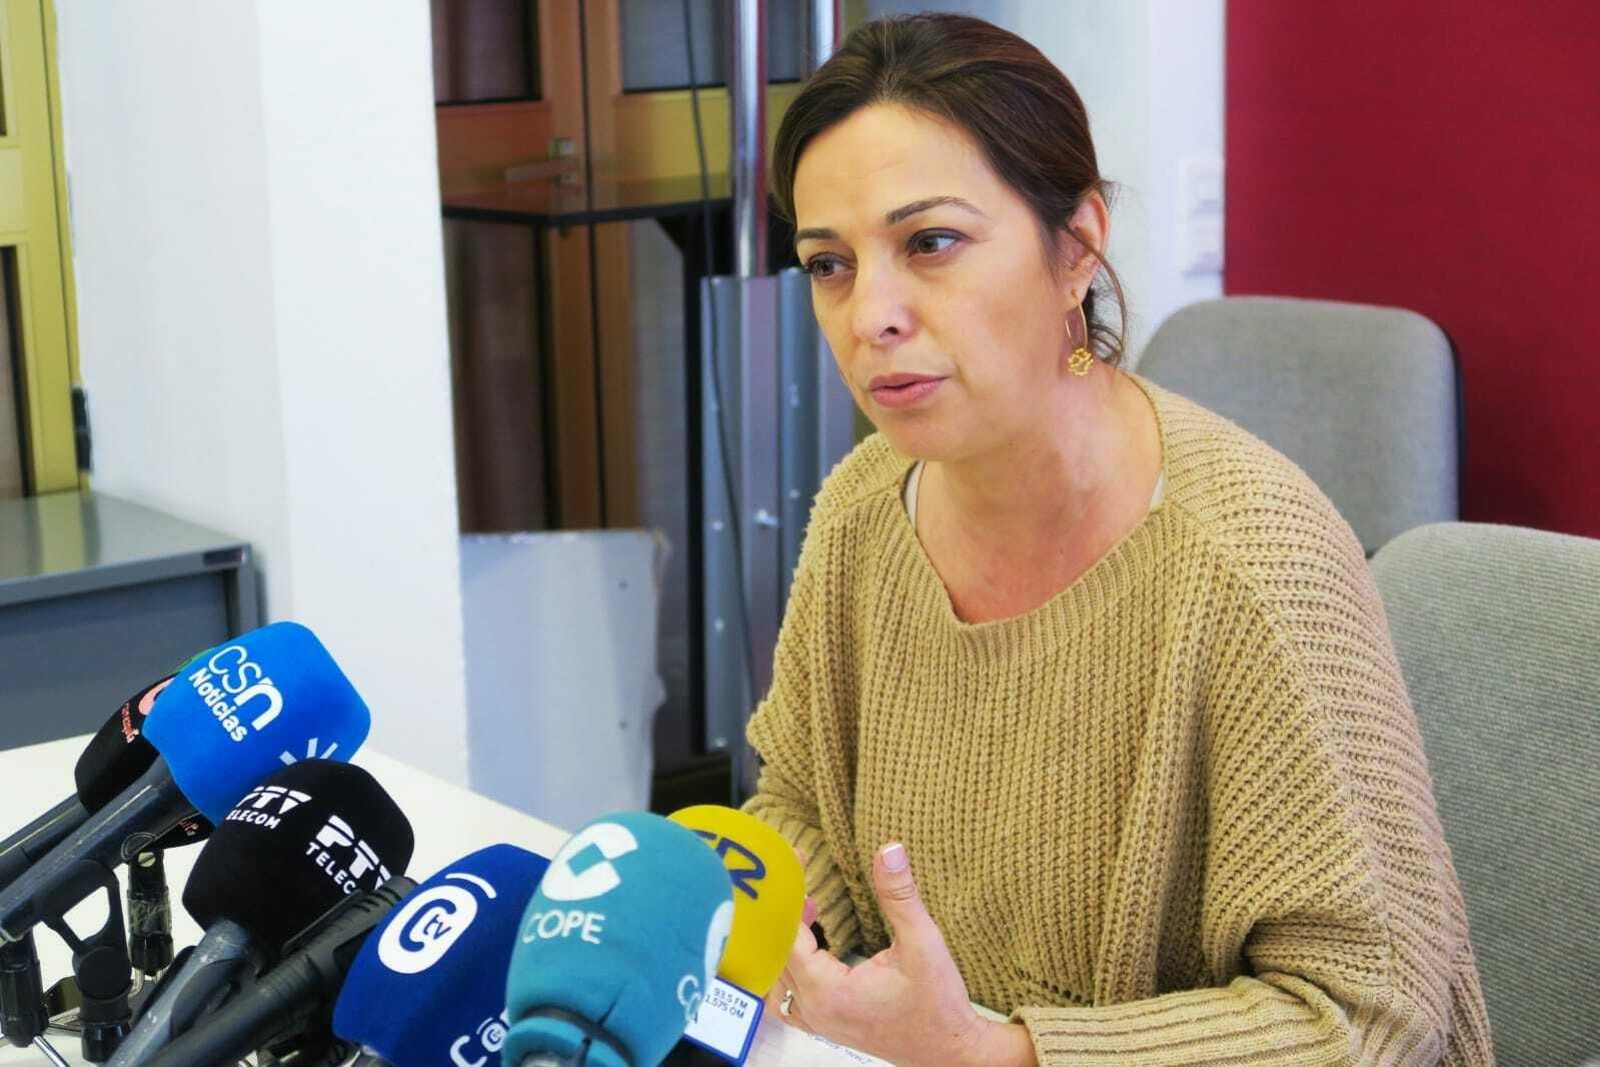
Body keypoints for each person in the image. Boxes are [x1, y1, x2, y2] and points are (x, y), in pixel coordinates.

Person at [741, 13, 1493, 1066]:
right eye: (830, 264)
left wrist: (999, 1052)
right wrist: (771, 920)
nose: (871, 315)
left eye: (931, 243)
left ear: (1077, 248)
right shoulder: (862, 510)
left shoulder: (1251, 565)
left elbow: (1370, 1020)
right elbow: (803, 803)